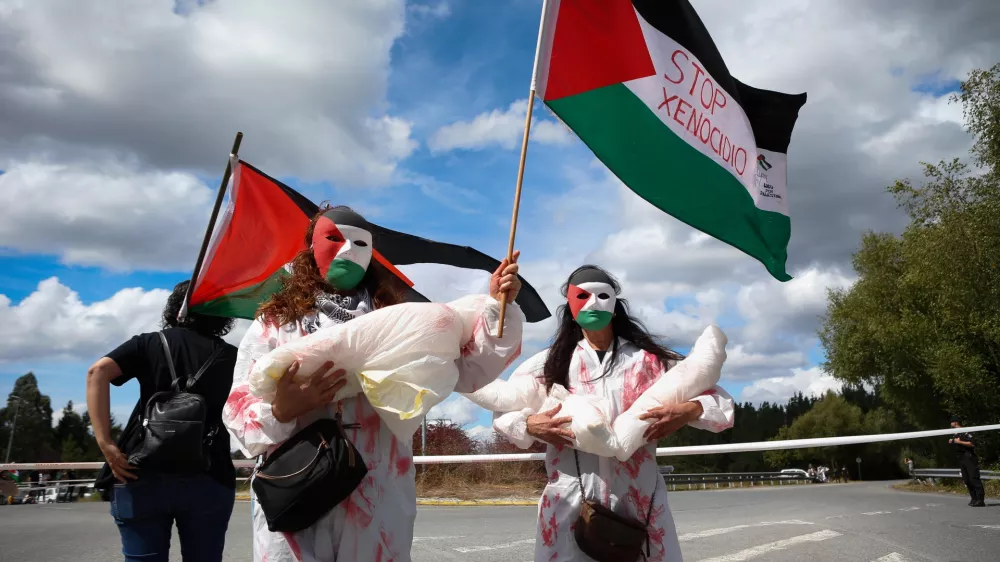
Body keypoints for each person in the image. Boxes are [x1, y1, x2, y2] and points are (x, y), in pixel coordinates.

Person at [223, 205, 525, 562]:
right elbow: (238, 410)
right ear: (309, 249)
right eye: (333, 239)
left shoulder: (401, 323)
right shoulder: (277, 324)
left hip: (378, 490)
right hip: (298, 487)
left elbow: (467, 370)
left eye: (359, 243)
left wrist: (495, 306)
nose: (348, 250)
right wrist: (279, 411)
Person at [491, 265, 735, 562]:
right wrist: (529, 425)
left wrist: (690, 409)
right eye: (582, 296)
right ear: (570, 307)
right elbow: (503, 409)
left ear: (616, 306)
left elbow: (719, 400)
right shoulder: (547, 365)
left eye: (602, 296)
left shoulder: (652, 362)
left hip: (640, 500)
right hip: (570, 500)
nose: (593, 303)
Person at [86, 280, 238, 561]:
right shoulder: (233, 357)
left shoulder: (150, 343)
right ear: (222, 314)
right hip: (209, 474)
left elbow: (98, 372)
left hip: (140, 472)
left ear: (174, 309)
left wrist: (106, 443)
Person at [949, 417, 985, 507]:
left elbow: (972, 444)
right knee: (966, 480)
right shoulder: (955, 433)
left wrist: (960, 442)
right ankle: (974, 498)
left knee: (974, 478)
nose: (950, 423)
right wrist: (952, 441)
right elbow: (957, 443)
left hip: (969, 457)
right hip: (961, 458)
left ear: (956, 422)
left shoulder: (966, 431)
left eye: (951, 422)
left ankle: (980, 499)